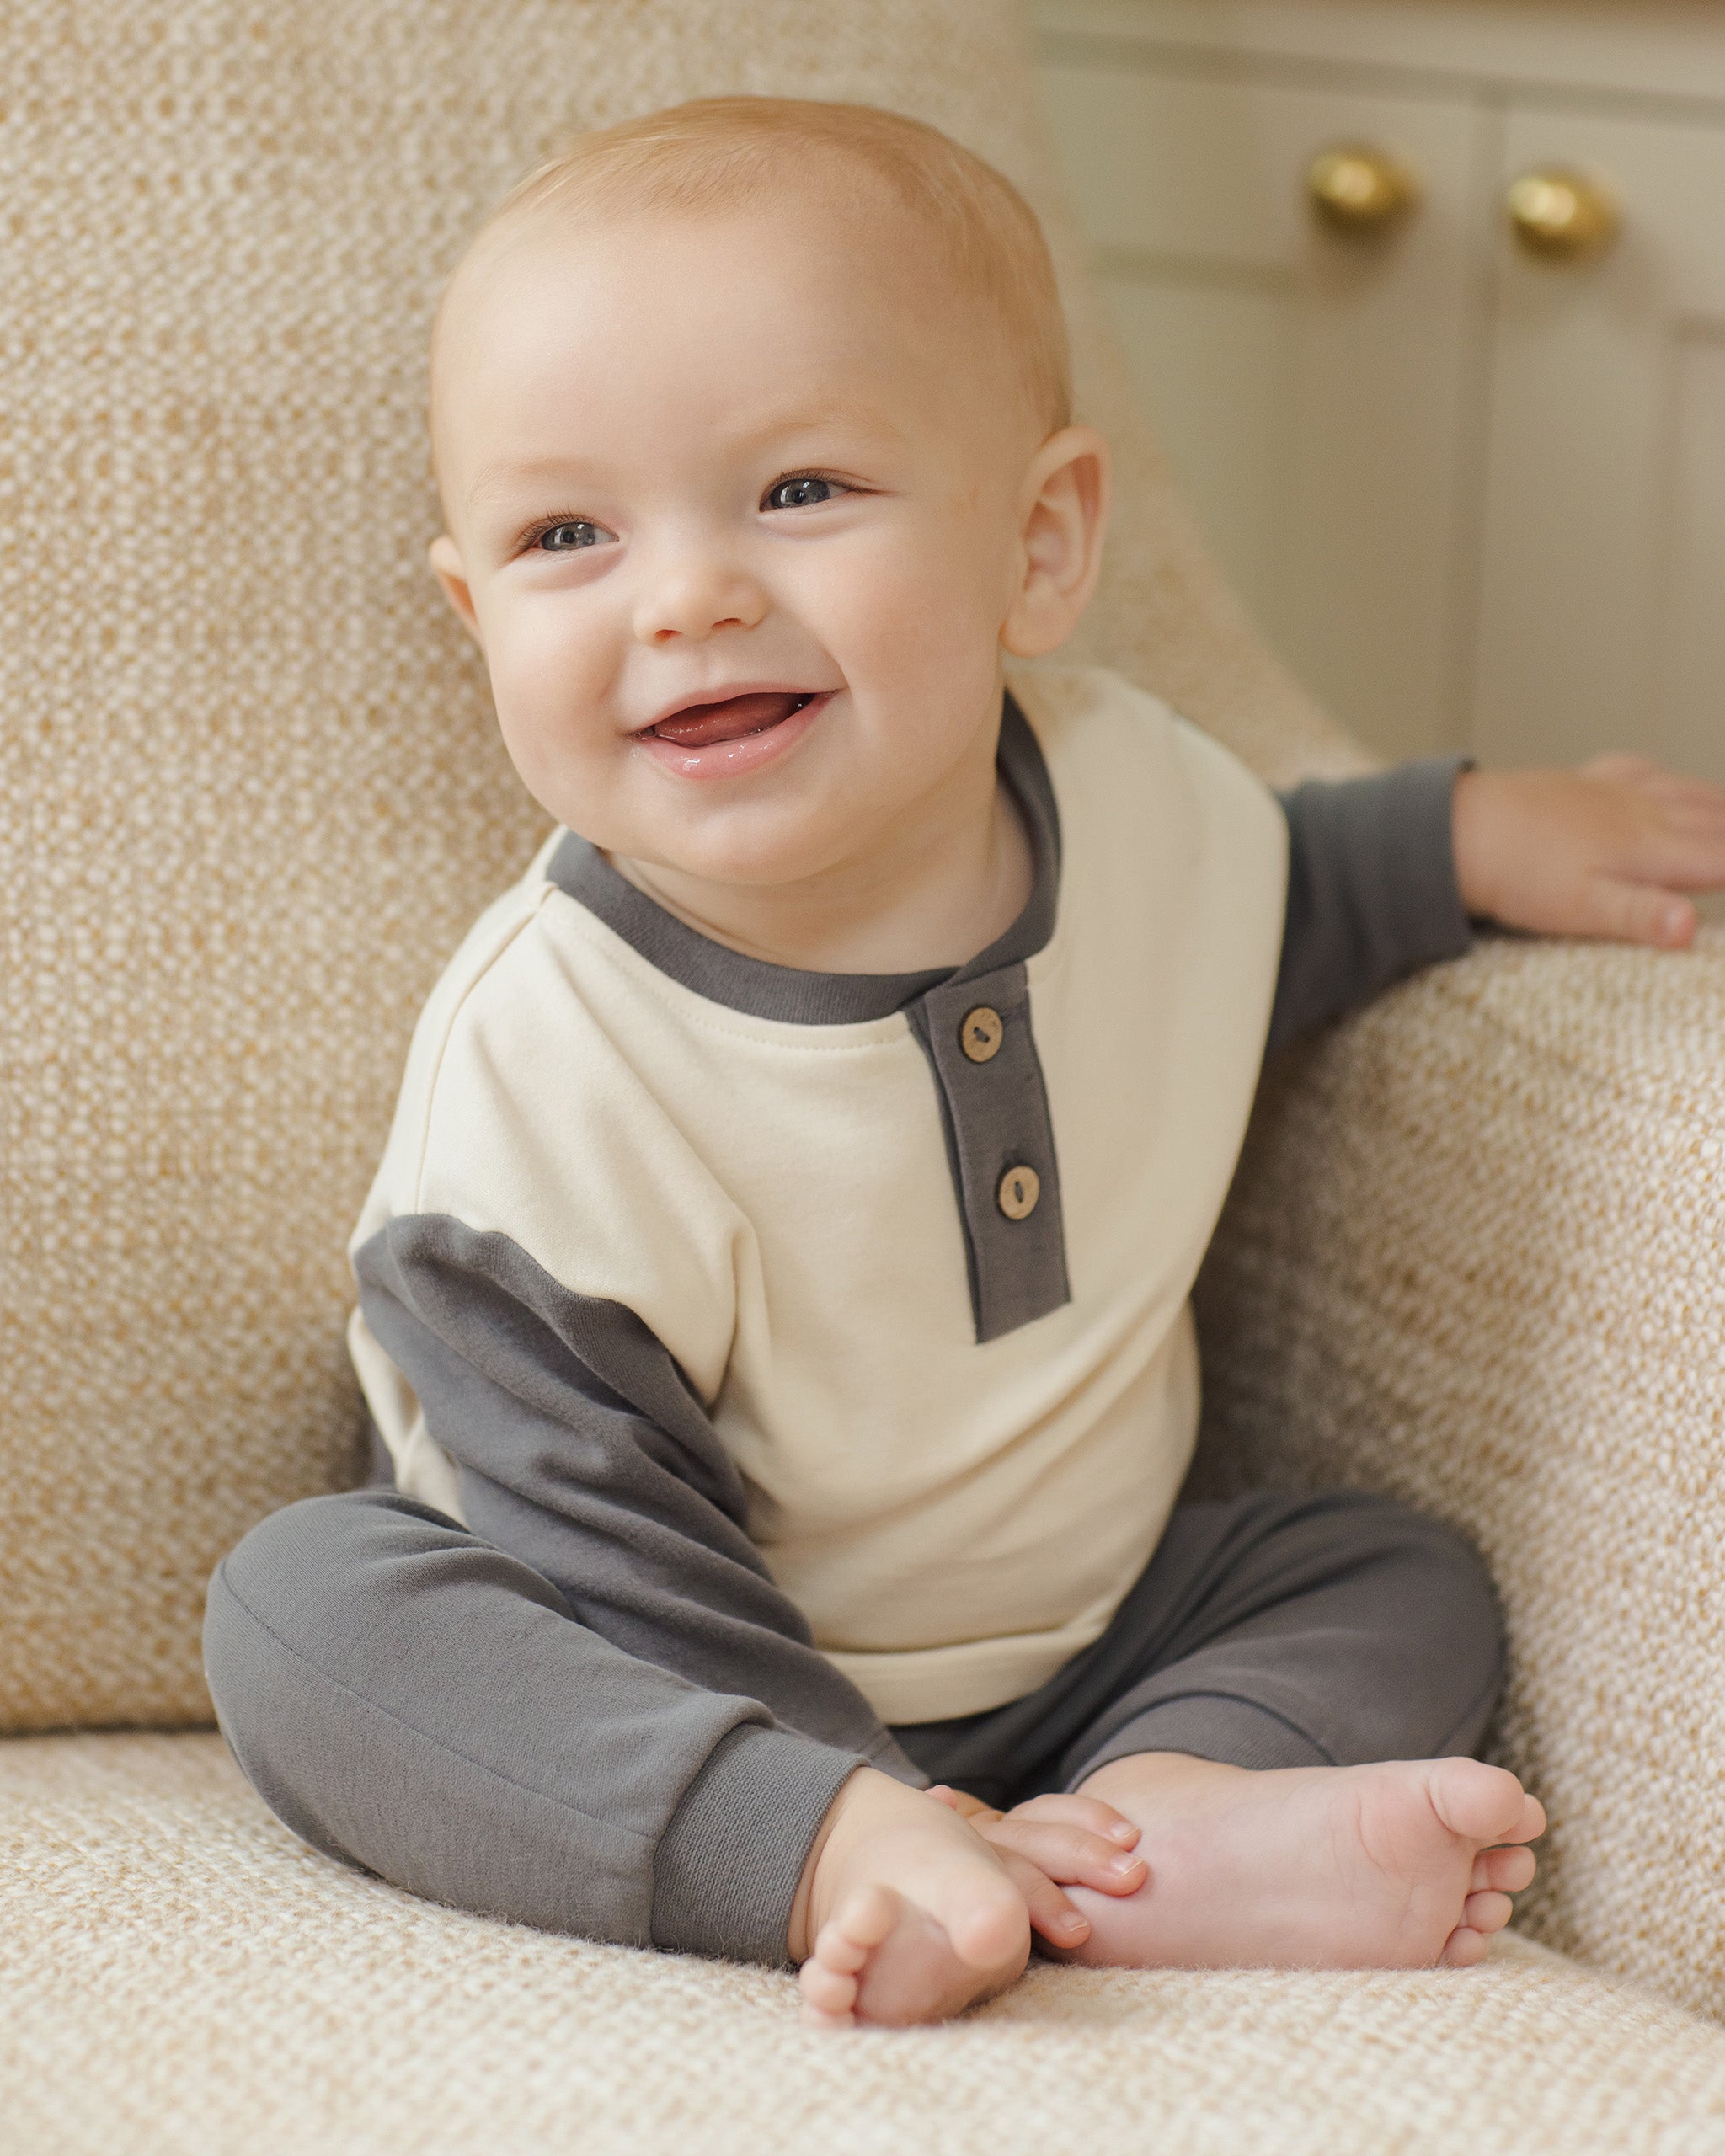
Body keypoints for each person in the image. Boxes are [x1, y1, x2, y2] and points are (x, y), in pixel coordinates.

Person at [203, 96, 1725, 2030]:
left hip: (1086, 1637)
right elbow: (588, 1531)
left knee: (1384, 1558)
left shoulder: (1137, 797)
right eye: (565, 533)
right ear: (472, 614)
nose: (681, 595)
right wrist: (858, 1804)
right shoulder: (548, 1069)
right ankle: (832, 1850)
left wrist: (1468, 835)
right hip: (652, 1645)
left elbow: (1276, 898)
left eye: (799, 490)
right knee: (299, 1607)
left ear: (1039, 541)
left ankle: (1158, 1816)